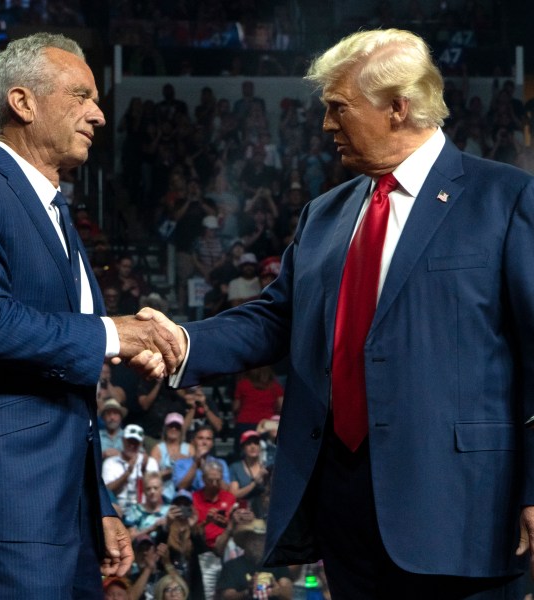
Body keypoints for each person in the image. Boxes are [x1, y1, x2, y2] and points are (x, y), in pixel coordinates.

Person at [137, 27, 534, 599]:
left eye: (338, 108)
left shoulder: (506, 199)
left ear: (399, 106)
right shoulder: (324, 215)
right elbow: (276, 320)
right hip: (345, 508)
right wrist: (181, 341)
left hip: (464, 509)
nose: (325, 125)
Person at [0, 32, 182, 599]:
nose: (98, 114)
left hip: (64, 504)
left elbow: (64, 389)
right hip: (10, 498)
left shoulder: (55, 209)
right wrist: (112, 332)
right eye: (81, 95)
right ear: (23, 103)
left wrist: (99, 505)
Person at [214, 518, 293, 600]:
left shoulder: (277, 564)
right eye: (253, 539)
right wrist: (247, 592)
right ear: (245, 542)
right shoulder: (232, 566)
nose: (257, 544)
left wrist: (278, 591)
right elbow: (226, 596)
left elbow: (287, 593)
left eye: (261, 539)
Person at [103, 424, 160, 513]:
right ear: (123, 440)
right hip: (118, 508)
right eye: (129, 441)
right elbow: (106, 491)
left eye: (136, 443)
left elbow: (155, 491)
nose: (132, 446)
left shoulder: (150, 462)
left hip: (143, 509)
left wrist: (143, 470)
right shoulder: (110, 462)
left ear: (141, 443)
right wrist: (127, 473)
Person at [173, 425, 230, 492]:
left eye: (208, 439)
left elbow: (226, 489)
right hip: (190, 500)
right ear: (193, 441)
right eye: (200, 438)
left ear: (212, 443)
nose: (204, 442)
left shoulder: (221, 463)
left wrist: (206, 468)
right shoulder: (180, 463)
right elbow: (181, 487)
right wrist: (196, 463)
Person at [150, 412, 193, 502]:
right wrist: (171, 471)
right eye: (171, 426)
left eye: (177, 427)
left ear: (181, 430)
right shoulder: (157, 449)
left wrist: (186, 460)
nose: (174, 429)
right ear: (166, 428)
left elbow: (195, 471)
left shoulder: (189, 448)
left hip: (185, 494)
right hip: (163, 493)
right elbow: (151, 476)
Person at [229, 431, 270, 516]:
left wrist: (267, 480)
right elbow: (234, 494)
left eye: (256, 443)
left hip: (265, 511)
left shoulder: (268, 466)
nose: (253, 446)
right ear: (243, 447)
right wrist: (254, 483)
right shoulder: (236, 467)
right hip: (244, 513)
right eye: (248, 443)